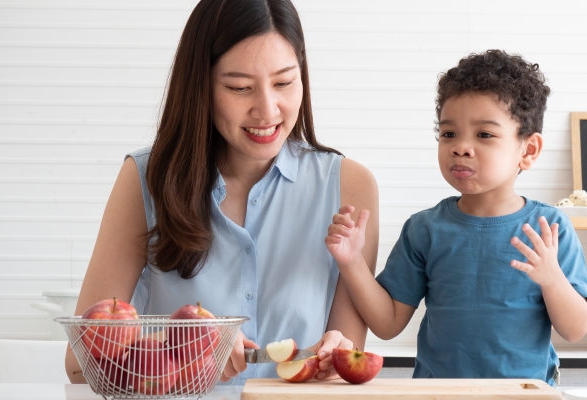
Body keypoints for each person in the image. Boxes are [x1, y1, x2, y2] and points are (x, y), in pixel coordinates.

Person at [65, 0, 379, 385]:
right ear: (201, 86)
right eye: (240, 87)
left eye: (284, 82)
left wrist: (335, 358)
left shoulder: (351, 185)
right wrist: (178, 345)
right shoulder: (144, 180)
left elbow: (349, 360)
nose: (267, 110)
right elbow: (81, 363)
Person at [325, 50, 587, 385]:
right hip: (438, 393)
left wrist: (552, 280)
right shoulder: (424, 229)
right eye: (449, 133)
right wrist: (351, 262)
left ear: (528, 150)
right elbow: (387, 324)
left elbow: (575, 329)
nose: (461, 147)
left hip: (524, 394)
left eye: (484, 135)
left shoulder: (548, 229)